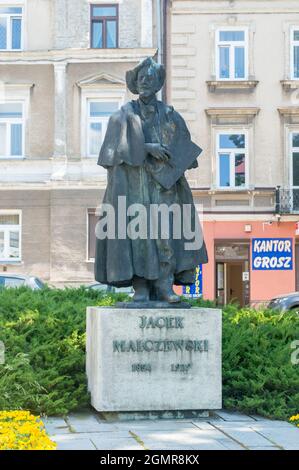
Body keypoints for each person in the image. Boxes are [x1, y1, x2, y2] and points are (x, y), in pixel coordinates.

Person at [95, 57, 208, 303]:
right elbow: (110, 154)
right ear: (135, 83)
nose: (146, 82)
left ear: (158, 84)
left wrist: (181, 157)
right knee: (137, 238)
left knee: (166, 236)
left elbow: (186, 152)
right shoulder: (120, 117)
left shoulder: (171, 116)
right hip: (134, 188)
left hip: (166, 189)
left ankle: (165, 286)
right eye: (142, 79)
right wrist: (147, 147)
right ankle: (141, 288)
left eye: (151, 79)